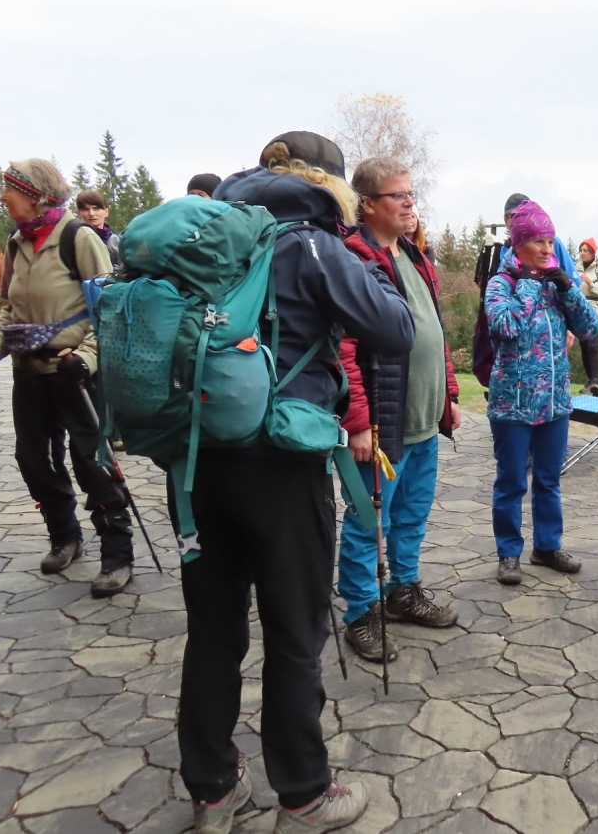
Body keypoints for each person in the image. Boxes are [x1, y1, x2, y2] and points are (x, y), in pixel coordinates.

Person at [179, 132, 414, 834]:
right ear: (330, 182)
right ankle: (304, 789)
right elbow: (393, 328)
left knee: (213, 631)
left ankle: (213, 789)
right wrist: (358, 253)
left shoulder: (206, 234)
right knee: (293, 631)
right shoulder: (312, 242)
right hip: (282, 463)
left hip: (196, 462)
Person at [0, 160, 135, 597]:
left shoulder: (78, 238)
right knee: (33, 459)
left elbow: (108, 308)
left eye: (11, 190)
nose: (3, 197)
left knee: (91, 462)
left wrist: (86, 356)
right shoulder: (16, 241)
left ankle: (117, 554)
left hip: (73, 372)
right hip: (29, 372)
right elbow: (11, 310)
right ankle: (64, 536)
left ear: (37, 193)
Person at [336, 155, 460, 665]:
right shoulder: (352, 259)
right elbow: (343, 348)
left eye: (411, 194)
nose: (410, 203)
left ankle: (403, 592)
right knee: (369, 521)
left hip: (424, 420)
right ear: (368, 204)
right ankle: (362, 613)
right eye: (399, 196)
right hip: (383, 425)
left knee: (411, 514)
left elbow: (436, 333)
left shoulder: (413, 254)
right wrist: (359, 421)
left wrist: (449, 394)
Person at [484, 200, 598, 585]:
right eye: (538, 241)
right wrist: (532, 285)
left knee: (549, 480)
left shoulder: (557, 285)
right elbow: (505, 327)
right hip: (512, 405)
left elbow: (588, 330)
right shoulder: (501, 284)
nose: (548, 249)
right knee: (512, 481)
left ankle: (547, 546)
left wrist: (568, 290)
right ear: (518, 245)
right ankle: (509, 553)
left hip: (554, 402)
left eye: (550, 241)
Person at [575, 238, 598, 397]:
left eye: (586, 250)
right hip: (580, 310)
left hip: (596, 310)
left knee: (593, 344)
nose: (582, 253)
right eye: (581, 250)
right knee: (584, 345)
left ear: (593, 252)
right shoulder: (575, 269)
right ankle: (590, 381)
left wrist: (591, 283)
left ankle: (596, 381)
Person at [74, 189, 121, 266]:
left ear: (106, 212)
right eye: (86, 209)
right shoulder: (74, 240)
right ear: (79, 213)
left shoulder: (114, 242)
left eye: (96, 209)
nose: (91, 213)